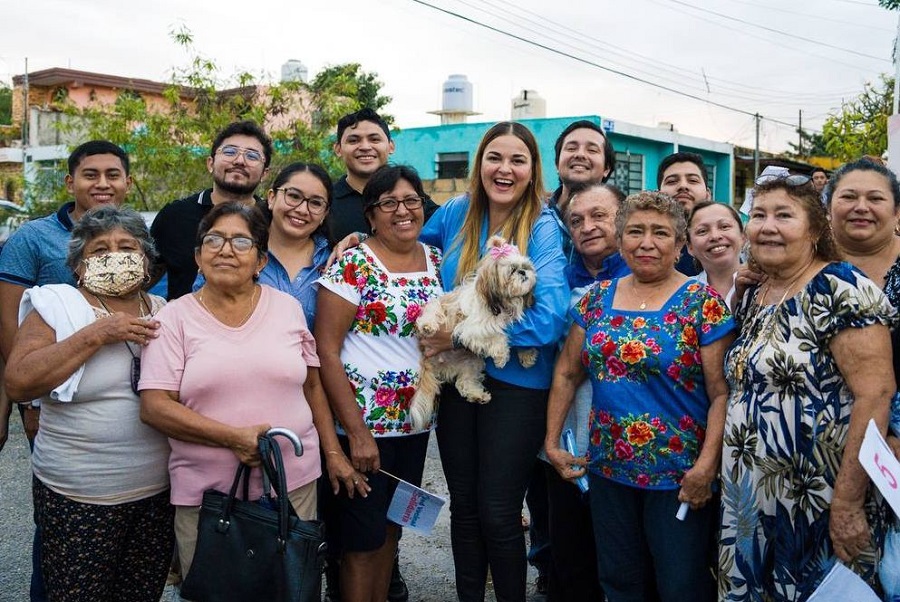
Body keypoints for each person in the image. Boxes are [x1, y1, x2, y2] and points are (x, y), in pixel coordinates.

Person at [139, 202, 355, 586]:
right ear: (198, 257)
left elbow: (311, 386)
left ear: (260, 260)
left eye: (241, 241)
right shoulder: (172, 319)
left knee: (287, 588)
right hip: (208, 495)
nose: (225, 249)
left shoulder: (287, 309)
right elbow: (155, 408)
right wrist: (232, 438)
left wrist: (334, 453)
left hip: (293, 483)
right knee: (216, 591)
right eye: (214, 240)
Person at [545, 191, 734, 602]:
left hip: (679, 476)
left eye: (660, 233)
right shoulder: (596, 298)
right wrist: (552, 442)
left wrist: (706, 467)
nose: (646, 242)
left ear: (681, 245)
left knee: (681, 584)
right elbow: (567, 371)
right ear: (620, 237)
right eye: (635, 231)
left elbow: (722, 394)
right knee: (619, 580)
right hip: (608, 470)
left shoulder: (704, 304)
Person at [719, 173, 897, 599]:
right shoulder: (759, 292)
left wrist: (848, 503)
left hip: (818, 501)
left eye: (784, 215)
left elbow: (876, 393)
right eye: (759, 215)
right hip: (751, 502)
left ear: (816, 229)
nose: (768, 226)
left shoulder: (839, 288)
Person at [418, 121, 569, 601]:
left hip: (519, 385)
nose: (504, 169)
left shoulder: (543, 226)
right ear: (480, 163)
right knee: (463, 507)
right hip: (460, 382)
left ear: (532, 170)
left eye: (517, 160)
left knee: (499, 510)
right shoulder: (456, 213)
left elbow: (549, 321)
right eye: (495, 158)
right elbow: (407, 246)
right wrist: (359, 241)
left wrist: (459, 337)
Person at [4, 205, 172, 601]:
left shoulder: (166, 312)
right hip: (78, 495)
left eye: (126, 246)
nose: (114, 254)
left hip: (156, 493)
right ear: (79, 266)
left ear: (145, 261)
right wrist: (96, 335)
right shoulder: (56, 304)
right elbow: (19, 381)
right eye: (99, 250)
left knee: (139, 593)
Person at [0, 139, 132, 602]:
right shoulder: (32, 240)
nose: (102, 183)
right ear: (70, 180)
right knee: (61, 546)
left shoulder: (133, 242)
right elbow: (9, 329)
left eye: (112, 174)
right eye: (90, 174)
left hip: (131, 452)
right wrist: (27, 406)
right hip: (52, 396)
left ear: (127, 182)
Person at [316, 165, 443, 602]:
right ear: (370, 214)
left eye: (411, 201)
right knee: (360, 541)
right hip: (362, 428)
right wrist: (355, 432)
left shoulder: (435, 260)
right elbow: (326, 351)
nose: (402, 211)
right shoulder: (353, 263)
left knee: (392, 531)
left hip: (414, 427)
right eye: (389, 203)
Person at [541, 182, 629, 601]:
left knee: (620, 559)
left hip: (628, 442)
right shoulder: (557, 277)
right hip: (569, 435)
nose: (587, 227)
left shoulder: (647, 276)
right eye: (576, 220)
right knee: (569, 553)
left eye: (599, 216)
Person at [151, 120, 272, 299]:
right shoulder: (174, 216)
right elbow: (144, 276)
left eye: (252, 156)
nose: (239, 161)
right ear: (210, 163)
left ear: (265, 173)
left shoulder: (274, 219)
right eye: (230, 152)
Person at [330, 108, 439, 246]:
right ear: (338, 149)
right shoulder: (325, 203)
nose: (365, 147)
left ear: (391, 146)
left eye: (374, 139)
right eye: (354, 140)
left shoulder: (415, 201)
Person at [547, 120, 616, 261]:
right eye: (571, 148)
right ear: (556, 163)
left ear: (607, 168)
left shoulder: (623, 217)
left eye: (592, 150)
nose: (580, 155)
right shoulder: (533, 214)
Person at [657, 151, 711, 276]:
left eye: (692, 180)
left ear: (708, 194)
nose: (682, 186)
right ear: (657, 195)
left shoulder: (724, 240)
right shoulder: (645, 244)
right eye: (671, 181)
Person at [686, 201, 744, 306]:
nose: (715, 236)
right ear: (690, 247)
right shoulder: (680, 293)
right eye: (702, 231)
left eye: (724, 226)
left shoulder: (765, 287)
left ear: (743, 236)